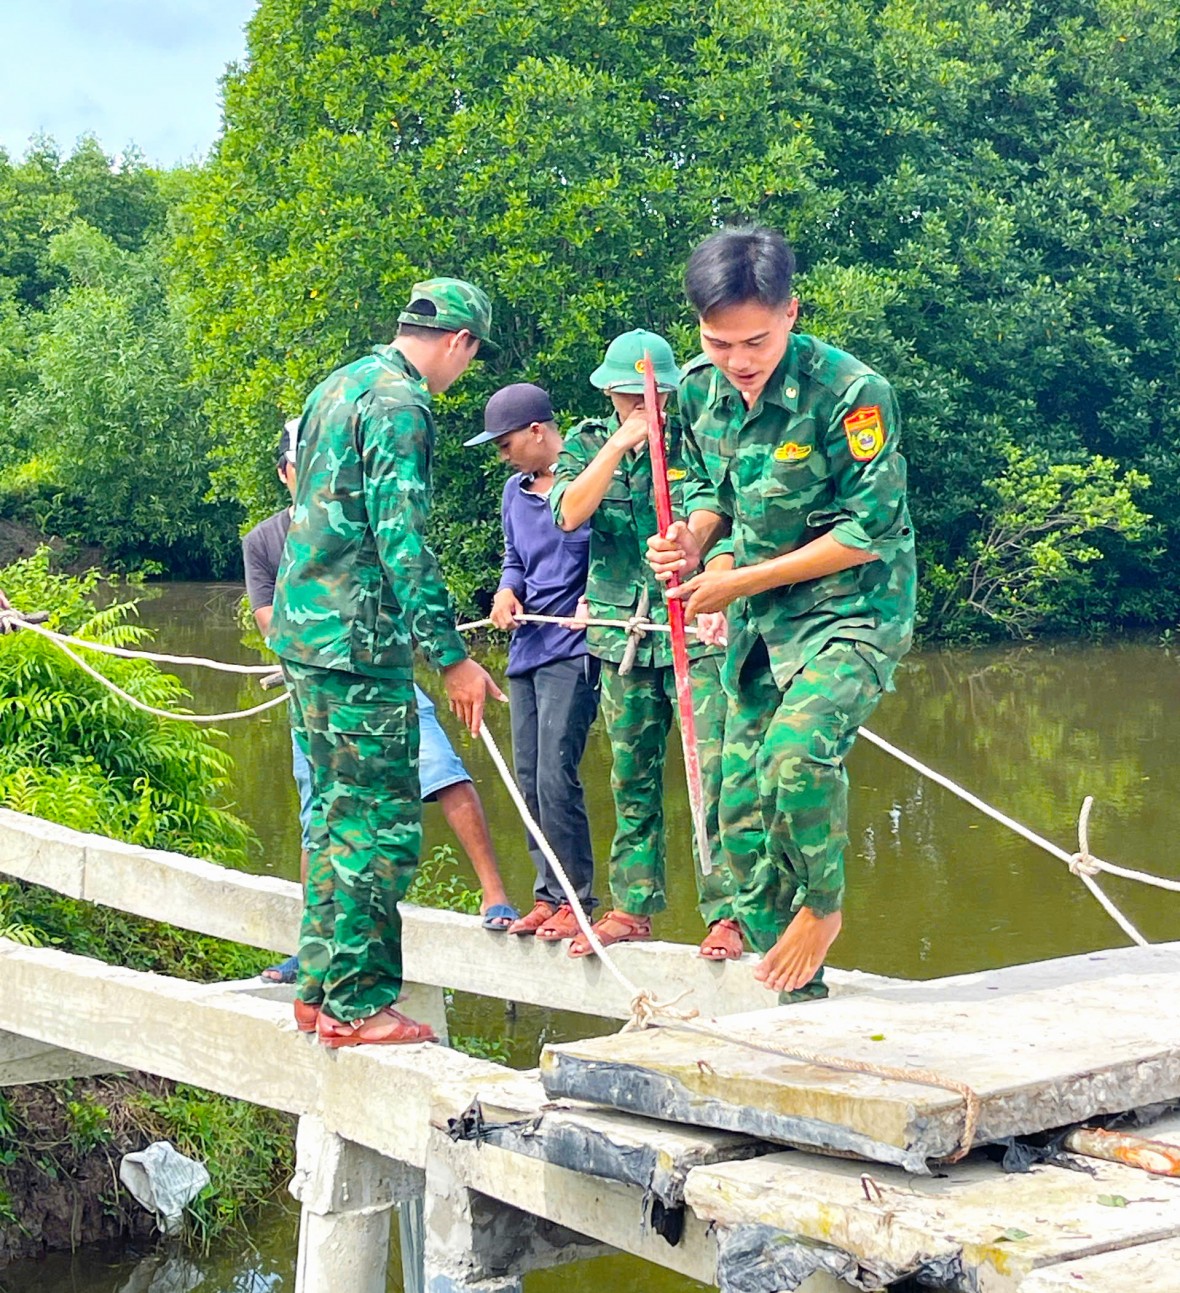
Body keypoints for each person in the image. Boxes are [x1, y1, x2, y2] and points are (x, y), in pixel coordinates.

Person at [647, 226, 916, 999]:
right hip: (763, 624)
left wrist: (738, 580)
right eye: (718, 342)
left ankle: (824, 906)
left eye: (755, 342)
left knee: (796, 757)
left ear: (791, 313)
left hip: (853, 610)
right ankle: (799, 1004)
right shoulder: (697, 391)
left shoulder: (851, 393)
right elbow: (714, 494)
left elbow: (867, 533)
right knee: (740, 822)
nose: (737, 360)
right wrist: (694, 543)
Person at [269, 277, 504, 1048]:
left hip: (306, 635)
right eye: (469, 358)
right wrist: (451, 657)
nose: (461, 373)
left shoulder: (337, 385)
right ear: (459, 341)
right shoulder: (401, 403)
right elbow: (403, 539)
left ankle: (316, 991)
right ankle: (357, 1003)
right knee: (379, 825)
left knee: (334, 816)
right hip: (358, 645)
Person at [243, 425, 518, 983]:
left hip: (384, 676)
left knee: (442, 771)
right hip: (315, 690)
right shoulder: (266, 539)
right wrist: (320, 644)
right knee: (317, 810)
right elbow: (268, 617)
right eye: (301, 463)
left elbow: (407, 583)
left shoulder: (362, 518)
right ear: (285, 472)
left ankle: (495, 894)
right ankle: (314, 947)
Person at [551, 330, 739, 960]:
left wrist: (694, 540)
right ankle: (632, 906)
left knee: (715, 774)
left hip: (696, 627)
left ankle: (730, 913)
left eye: (651, 398)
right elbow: (567, 514)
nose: (642, 407)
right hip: (621, 635)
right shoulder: (585, 442)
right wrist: (620, 444)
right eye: (630, 397)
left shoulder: (696, 435)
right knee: (631, 778)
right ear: (609, 392)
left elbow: (718, 506)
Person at [464, 383, 599, 941]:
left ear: (537, 431)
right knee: (527, 778)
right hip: (528, 648)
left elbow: (614, 552)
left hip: (574, 646)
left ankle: (577, 900)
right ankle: (548, 895)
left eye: (506, 444)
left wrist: (594, 599)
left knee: (555, 775)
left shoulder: (588, 480)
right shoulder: (513, 492)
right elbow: (514, 559)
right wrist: (505, 592)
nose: (503, 456)